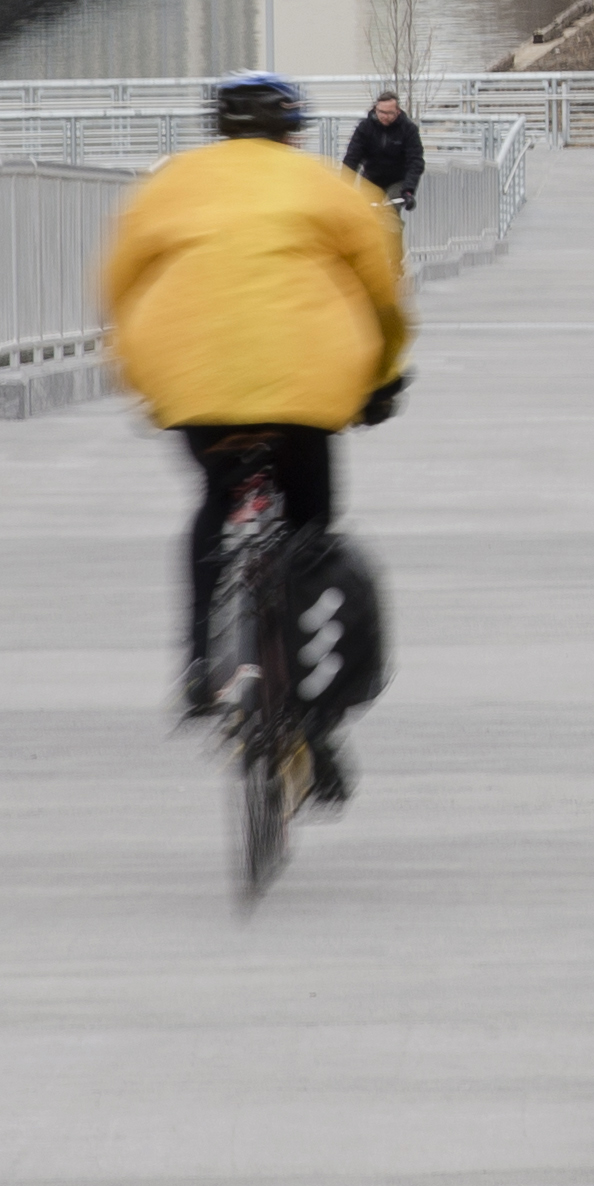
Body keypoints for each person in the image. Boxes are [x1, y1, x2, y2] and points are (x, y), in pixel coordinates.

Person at [104, 73, 413, 801]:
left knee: (216, 501)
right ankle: (309, 717)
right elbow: (381, 287)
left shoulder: (168, 185)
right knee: (311, 533)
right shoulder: (328, 188)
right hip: (303, 397)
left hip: (194, 390)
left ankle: (197, 668)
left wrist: (145, 378)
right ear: (291, 131)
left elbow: (119, 283)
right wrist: (384, 377)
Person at [341, 90, 426, 231]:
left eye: (389, 113)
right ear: (375, 109)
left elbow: (415, 161)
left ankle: (393, 249)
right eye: (381, 112)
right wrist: (343, 185)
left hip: (397, 180)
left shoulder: (408, 129)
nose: (384, 117)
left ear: (397, 111)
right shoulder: (365, 128)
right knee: (364, 217)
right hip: (371, 178)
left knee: (390, 216)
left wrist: (409, 191)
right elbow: (352, 158)